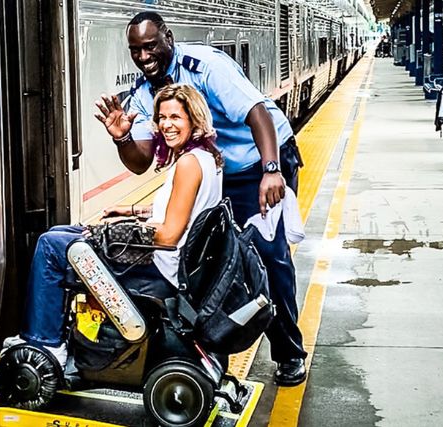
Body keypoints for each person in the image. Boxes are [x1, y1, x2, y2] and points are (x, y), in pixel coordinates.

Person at [92, 11, 308, 386]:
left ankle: (289, 353)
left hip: (259, 160)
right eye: (135, 50)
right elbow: (141, 162)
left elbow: (257, 112)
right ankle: (213, 356)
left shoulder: (205, 65)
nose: (144, 57)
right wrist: (122, 137)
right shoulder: (144, 93)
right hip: (220, 170)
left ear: (169, 38)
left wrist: (272, 170)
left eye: (150, 46)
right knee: (208, 261)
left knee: (266, 258)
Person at [5, 84, 224, 368]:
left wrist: (109, 233)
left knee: (51, 246)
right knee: (60, 233)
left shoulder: (188, 164)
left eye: (175, 117)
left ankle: (46, 343)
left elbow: (169, 236)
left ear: (194, 120)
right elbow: (184, 210)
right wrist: (132, 211)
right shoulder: (206, 157)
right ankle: (46, 332)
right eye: (161, 117)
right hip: (175, 263)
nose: (166, 125)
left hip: (162, 269)